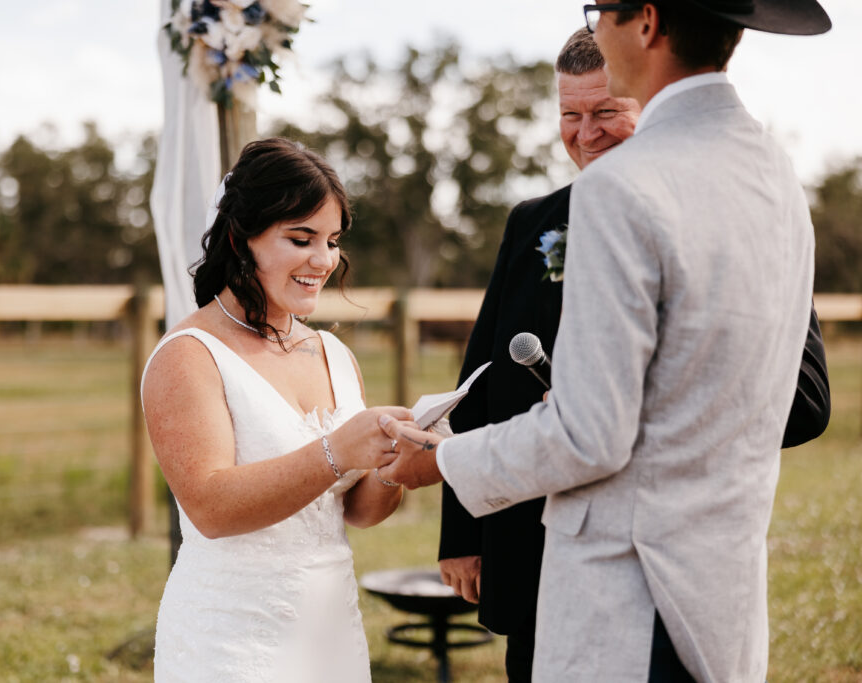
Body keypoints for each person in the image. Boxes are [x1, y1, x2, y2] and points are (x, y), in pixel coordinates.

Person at [377, 1, 831, 680]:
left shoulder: (621, 187)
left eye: (600, 9)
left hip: (622, 600)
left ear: (645, 22)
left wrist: (444, 462)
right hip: (720, 590)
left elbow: (591, 435)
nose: (597, 26)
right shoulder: (773, 173)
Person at [141, 138, 408, 682]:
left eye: (331, 241)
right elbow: (210, 508)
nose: (323, 260)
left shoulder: (334, 354)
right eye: (301, 238)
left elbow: (356, 512)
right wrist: (338, 450)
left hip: (331, 631)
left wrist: (395, 464)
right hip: (233, 639)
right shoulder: (190, 355)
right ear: (242, 239)